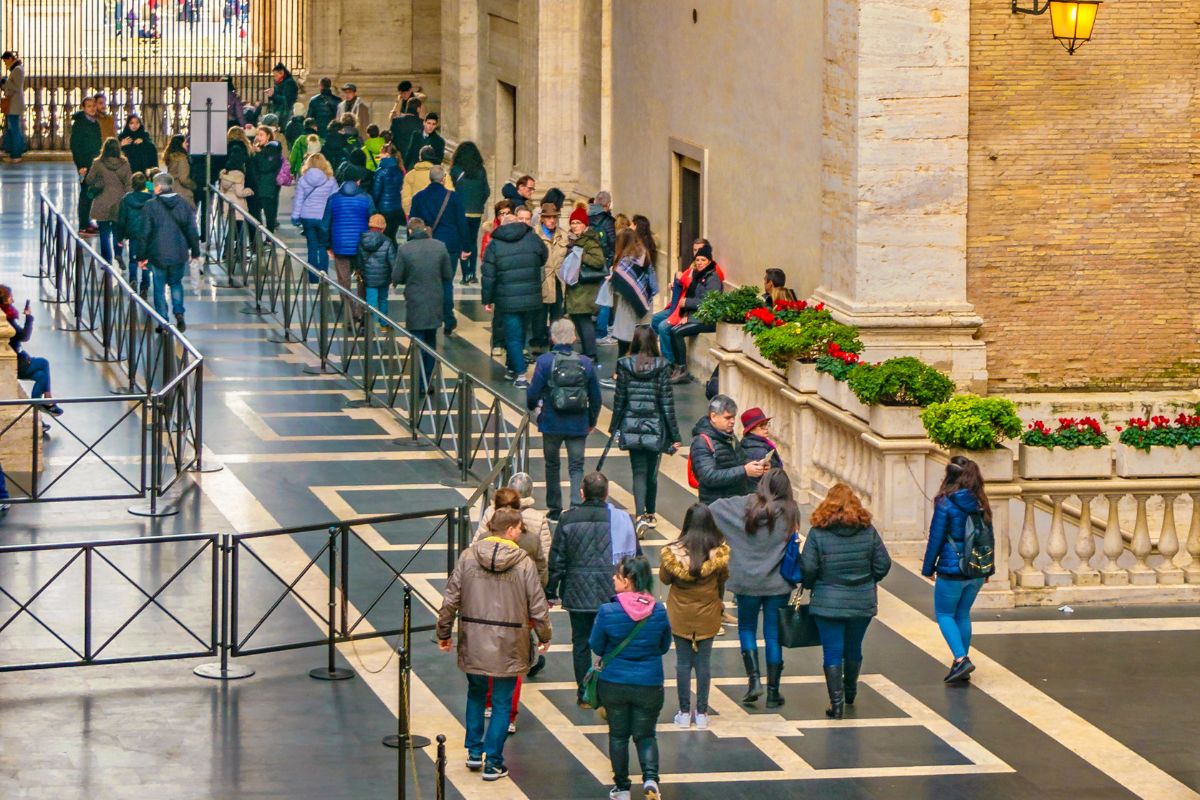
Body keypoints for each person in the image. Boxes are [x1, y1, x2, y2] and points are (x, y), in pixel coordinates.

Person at [436, 507, 552, 782]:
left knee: (476, 694)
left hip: (474, 638)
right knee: (501, 703)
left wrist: (444, 632)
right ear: (510, 530)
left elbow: (451, 598)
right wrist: (545, 636)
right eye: (520, 528)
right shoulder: (523, 563)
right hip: (510, 643)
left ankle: (474, 752)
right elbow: (537, 606)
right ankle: (494, 762)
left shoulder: (468, 557)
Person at [709, 468, 801, 708]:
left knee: (747, 628)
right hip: (777, 584)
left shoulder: (745, 506)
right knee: (773, 635)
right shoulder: (791, 511)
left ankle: (754, 681)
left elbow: (714, 508)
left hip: (746, 582)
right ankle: (773, 691)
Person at [801, 483, 891, 719]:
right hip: (861, 599)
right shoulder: (867, 530)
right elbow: (883, 564)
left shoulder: (818, 532)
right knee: (854, 647)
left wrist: (813, 584)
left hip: (828, 600)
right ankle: (850, 691)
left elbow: (808, 567)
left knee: (832, 651)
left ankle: (836, 703)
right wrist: (868, 580)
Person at [547, 472, 639, 704]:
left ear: (582, 493)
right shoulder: (622, 518)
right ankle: (610, 689)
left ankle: (585, 693)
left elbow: (557, 558)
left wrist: (551, 590)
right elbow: (636, 557)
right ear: (606, 493)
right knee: (614, 640)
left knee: (580, 642)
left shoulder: (568, 519)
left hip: (577, 591)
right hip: (613, 592)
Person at [590, 555, 671, 800]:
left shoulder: (607, 610)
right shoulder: (658, 610)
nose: (613, 577)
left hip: (614, 682)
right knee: (646, 734)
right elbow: (664, 645)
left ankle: (622, 787)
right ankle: (650, 779)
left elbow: (595, 644)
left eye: (618, 574)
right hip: (649, 682)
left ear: (628, 581)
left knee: (618, 735)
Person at [659, 504, 728, 730]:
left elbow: (665, 579)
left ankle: (684, 711)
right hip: (708, 613)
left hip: (680, 614)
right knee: (704, 664)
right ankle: (702, 713)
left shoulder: (673, 553)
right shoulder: (719, 552)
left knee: (682, 663)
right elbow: (722, 581)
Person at [922, 456, 991, 684]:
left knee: (944, 614)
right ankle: (960, 661)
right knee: (962, 614)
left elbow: (936, 537)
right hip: (975, 569)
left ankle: (961, 659)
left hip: (953, 569)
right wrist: (987, 568)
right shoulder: (980, 501)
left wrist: (928, 567)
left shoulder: (945, 502)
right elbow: (988, 538)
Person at [527, 319, 602, 515]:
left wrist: (534, 409)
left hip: (551, 421)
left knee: (552, 464)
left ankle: (554, 508)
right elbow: (596, 397)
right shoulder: (585, 362)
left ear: (552, 338)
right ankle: (576, 505)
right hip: (578, 423)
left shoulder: (544, 361)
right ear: (574, 337)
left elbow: (532, 393)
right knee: (576, 466)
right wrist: (591, 421)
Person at [611, 326, 680, 534]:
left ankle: (640, 514)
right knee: (652, 473)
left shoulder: (624, 365)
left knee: (638, 472)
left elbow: (619, 400)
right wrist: (675, 436)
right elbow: (667, 405)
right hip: (655, 426)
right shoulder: (663, 367)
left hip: (632, 424)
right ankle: (650, 513)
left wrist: (615, 428)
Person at [481, 200, 547, 387]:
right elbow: (543, 257)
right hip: (531, 296)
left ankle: (519, 374)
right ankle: (512, 367)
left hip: (507, 298)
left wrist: (487, 300)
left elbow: (489, 275)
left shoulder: (495, 245)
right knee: (522, 332)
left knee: (512, 335)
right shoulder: (533, 238)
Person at [652, 239, 726, 377]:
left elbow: (709, 302)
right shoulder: (699, 275)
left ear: (709, 261)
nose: (699, 262)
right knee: (670, 327)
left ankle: (681, 369)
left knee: (675, 331)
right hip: (695, 315)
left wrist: (687, 304)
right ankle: (675, 365)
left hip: (707, 319)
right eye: (697, 259)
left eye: (702, 260)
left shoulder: (712, 278)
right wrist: (685, 313)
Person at [392, 217, 453, 383]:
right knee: (431, 340)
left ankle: (418, 382)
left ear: (410, 231)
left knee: (417, 341)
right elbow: (448, 274)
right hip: (435, 298)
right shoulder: (440, 246)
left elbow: (397, 276)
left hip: (415, 300)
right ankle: (427, 378)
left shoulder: (405, 249)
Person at [410, 165, 469, 336]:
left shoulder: (419, 197)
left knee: (426, 281)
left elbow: (413, 223)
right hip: (449, 245)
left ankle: (429, 318)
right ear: (443, 179)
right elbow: (461, 223)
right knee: (446, 282)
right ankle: (448, 319)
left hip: (425, 244)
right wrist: (465, 246)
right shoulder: (454, 197)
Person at [137, 173, 200, 331]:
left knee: (158, 287)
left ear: (158, 187)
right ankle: (179, 313)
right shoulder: (183, 203)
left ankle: (163, 321)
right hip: (179, 252)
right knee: (176, 283)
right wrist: (195, 251)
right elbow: (192, 229)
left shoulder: (150, 206)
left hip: (157, 253)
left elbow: (144, 233)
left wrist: (141, 256)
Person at [690, 395, 767, 504]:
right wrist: (744, 471)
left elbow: (741, 459)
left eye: (734, 417)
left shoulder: (728, 435)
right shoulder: (701, 443)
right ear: (713, 417)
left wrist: (757, 465)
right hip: (716, 505)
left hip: (735, 500)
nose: (732, 421)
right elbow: (708, 477)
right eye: (727, 418)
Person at [1, 285, 62, 416]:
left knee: (41, 376)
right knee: (44, 363)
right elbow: (24, 336)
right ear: (5, 300)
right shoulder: (8, 318)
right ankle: (47, 401)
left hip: (17, 358)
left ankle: (40, 411)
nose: (13, 299)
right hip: (17, 362)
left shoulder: (6, 315)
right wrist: (29, 317)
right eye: (10, 297)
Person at [607, 229, 658, 382]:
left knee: (624, 341)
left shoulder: (626, 260)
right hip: (644, 305)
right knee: (642, 341)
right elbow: (652, 283)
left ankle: (619, 374)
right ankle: (642, 372)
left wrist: (612, 279)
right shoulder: (644, 255)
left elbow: (622, 285)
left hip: (628, 307)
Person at [322, 172, 375, 313]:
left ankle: (348, 312)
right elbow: (373, 221)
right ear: (358, 181)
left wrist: (328, 244)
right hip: (361, 245)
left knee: (344, 280)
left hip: (339, 245)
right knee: (362, 278)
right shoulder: (366, 198)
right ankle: (359, 310)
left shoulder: (333, 199)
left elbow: (326, 224)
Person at [564, 204, 607, 364]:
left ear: (585, 224)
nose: (575, 226)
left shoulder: (589, 240)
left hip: (585, 288)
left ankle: (591, 353)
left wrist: (580, 255)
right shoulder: (574, 240)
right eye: (573, 223)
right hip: (576, 287)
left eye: (578, 223)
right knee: (578, 319)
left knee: (584, 320)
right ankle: (587, 351)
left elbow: (598, 261)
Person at [84, 137, 133, 264]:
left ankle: (106, 260)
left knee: (104, 233)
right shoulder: (125, 164)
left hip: (102, 201)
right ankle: (118, 254)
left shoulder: (98, 163)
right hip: (119, 201)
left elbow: (89, 180)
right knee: (118, 231)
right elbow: (129, 184)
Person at [449, 141, 489, 285]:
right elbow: (486, 191)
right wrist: (479, 203)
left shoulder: (456, 170)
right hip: (476, 212)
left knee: (462, 241)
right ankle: (473, 273)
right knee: (472, 241)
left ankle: (466, 274)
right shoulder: (481, 170)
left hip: (461, 211)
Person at [291, 152, 337, 278]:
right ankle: (324, 275)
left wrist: (295, 217)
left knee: (312, 246)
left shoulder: (303, 179)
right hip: (324, 217)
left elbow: (298, 200)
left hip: (307, 217)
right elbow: (334, 199)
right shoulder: (330, 180)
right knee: (323, 246)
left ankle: (312, 276)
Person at [530, 202, 567, 353]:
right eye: (548, 217)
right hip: (541, 279)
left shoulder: (563, 235)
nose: (552, 220)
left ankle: (555, 344)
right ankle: (538, 342)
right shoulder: (534, 235)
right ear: (542, 219)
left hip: (558, 279)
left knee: (557, 316)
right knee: (539, 314)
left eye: (554, 217)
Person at [70, 96, 103, 235]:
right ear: (83, 108)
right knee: (85, 194)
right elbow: (75, 146)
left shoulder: (94, 122)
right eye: (89, 106)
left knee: (90, 193)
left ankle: (87, 222)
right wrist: (80, 165)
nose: (92, 108)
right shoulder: (79, 123)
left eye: (94, 105)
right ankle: (83, 226)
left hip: (94, 163)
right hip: (85, 165)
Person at [115, 171, 153, 294]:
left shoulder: (127, 199)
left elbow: (121, 220)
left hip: (133, 234)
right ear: (145, 185)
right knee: (146, 261)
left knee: (133, 259)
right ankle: (145, 286)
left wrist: (120, 238)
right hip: (148, 235)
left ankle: (133, 279)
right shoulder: (152, 198)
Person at [355, 214, 395, 315]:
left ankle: (370, 327)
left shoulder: (362, 240)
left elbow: (359, 260)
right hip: (384, 277)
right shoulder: (388, 241)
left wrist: (360, 271)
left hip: (368, 277)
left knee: (371, 301)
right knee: (383, 300)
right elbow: (392, 261)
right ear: (383, 227)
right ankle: (384, 324)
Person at [401, 144, 456, 216]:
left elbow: (406, 199)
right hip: (435, 215)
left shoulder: (410, 175)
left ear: (420, 157)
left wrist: (410, 213)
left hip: (417, 215)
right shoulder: (443, 174)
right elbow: (449, 195)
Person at [248, 125, 283, 231]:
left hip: (268, 188)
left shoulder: (272, 149)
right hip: (258, 187)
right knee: (255, 214)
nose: (259, 137)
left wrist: (258, 154)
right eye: (257, 135)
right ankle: (257, 241)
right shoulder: (261, 149)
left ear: (268, 136)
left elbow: (265, 167)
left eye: (262, 135)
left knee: (269, 216)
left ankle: (269, 240)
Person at [371, 143, 405, 238]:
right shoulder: (400, 169)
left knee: (385, 237)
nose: (379, 155)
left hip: (384, 209)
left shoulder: (380, 172)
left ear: (387, 154)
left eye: (381, 153)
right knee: (398, 238)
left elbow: (376, 193)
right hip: (398, 208)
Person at [1, 51, 26, 163]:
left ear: (11, 58)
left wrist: (4, 81)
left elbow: (16, 87)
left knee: (14, 128)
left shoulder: (18, 70)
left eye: (6, 61)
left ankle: (16, 155)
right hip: (13, 104)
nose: (5, 63)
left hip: (15, 104)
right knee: (13, 128)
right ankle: (14, 151)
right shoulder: (16, 69)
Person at [388, 80, 422, 159]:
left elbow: (420, 119)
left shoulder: (417, 101)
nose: (403, 95)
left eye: (404, 93)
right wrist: (398, 102)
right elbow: (391, 119)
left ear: (410, 90)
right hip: (401, 137)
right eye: (401, 93)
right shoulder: (400, 101)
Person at [161, 134, 196, 209]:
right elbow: (183, 179)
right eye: (185, 142)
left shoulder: (171, 157)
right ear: (180, 144)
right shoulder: (182, 159)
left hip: (171, 190)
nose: (187, 144)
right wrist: (194, 185)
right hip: (182, 192)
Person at [266, 62, 298, 130]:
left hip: (284, 113)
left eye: (276, 75)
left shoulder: (289, 83)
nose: (275, 78)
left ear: (282, 73)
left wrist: (273, 95)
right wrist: (271, 94)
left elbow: (285, 100)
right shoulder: (280, 82)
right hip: (279, 111)